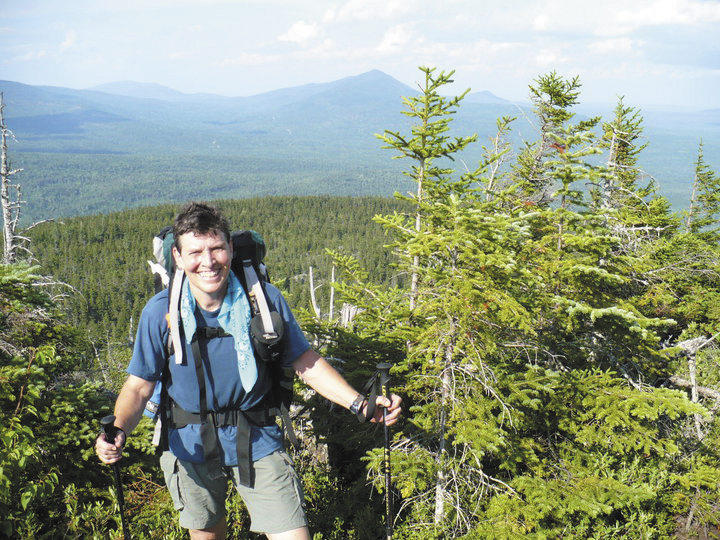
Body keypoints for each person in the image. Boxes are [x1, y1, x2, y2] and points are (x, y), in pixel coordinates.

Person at [95, 201, 402, 540]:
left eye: (217, 248)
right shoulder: (160, 313)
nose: (208, 262)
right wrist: (119, 429)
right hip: (189, 444)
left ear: (229, 248)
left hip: (257, 438)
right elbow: (139, 386)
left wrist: (360, 404)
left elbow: (305, 362)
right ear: (179, 259)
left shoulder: (263, 300)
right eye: (195, 252)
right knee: (209, 534)